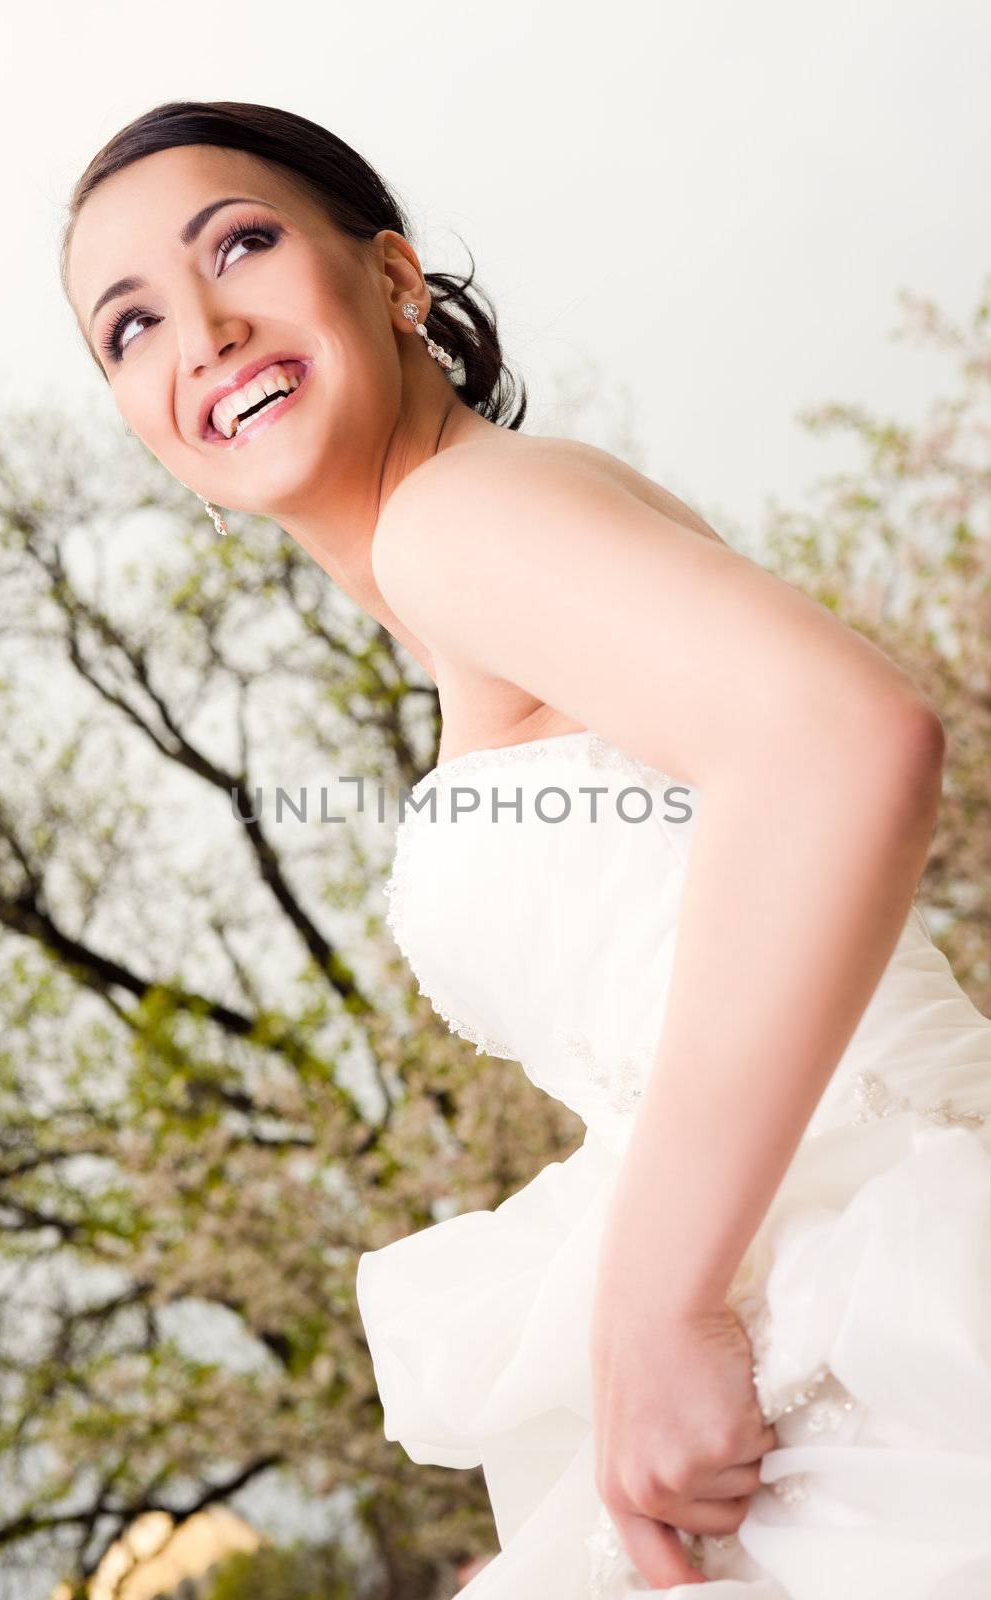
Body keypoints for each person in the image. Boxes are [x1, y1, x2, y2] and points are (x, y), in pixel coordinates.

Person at [62, 100, 991, 1598]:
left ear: (395, 279)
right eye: (131, 329)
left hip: (879, 1289)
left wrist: (659, 1303)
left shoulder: (457, 522)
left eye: (240, 243)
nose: (208, 331)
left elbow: (846, 743)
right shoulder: (480, 564)